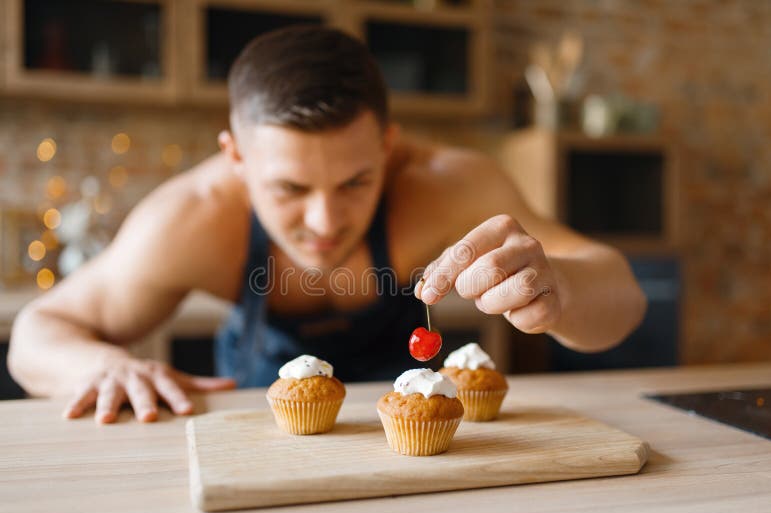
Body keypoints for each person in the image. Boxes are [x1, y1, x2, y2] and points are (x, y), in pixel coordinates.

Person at [8, 26, 646, 424]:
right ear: (236, 158)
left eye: (355, 182)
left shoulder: (452, 185)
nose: (324, 221)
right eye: (288, 188)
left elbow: (624, 297)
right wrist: (98, 365)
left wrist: (558, 288)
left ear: (387, 147)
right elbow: (36, 333)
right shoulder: (191, 217)